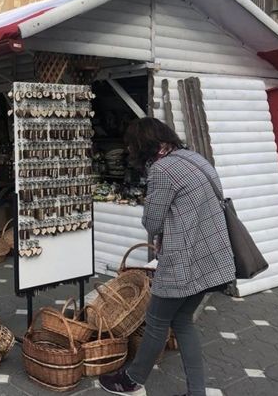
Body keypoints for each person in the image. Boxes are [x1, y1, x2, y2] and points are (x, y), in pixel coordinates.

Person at [99, 118, 235, 396]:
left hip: (183, 261)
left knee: (156, 321)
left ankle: (132, 381)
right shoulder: (195, 158)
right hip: (212, 257)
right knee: (182, 321)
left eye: (131, 145)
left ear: (142, 145)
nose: (130, 151)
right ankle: (197, 391)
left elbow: (152, 221)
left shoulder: (162, 170)